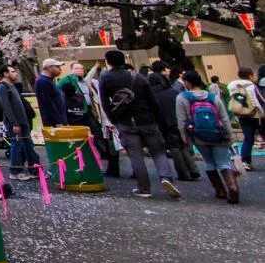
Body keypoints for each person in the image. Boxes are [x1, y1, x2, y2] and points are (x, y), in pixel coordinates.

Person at [99, 50, 180, 199]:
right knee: (158, 151)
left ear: (108, 62)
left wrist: (114, 120)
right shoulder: (139, 77)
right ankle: (166, 178)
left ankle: (144, 188)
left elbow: (105, 103)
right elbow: (153, 101)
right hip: (146, 119)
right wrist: (157, 119)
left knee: (135, 155)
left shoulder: (106, 79)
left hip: (125, 121)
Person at [176, 70, 240, 203]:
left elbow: (181, 120)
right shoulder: (212, 97)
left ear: (187, 82)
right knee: (223, 162)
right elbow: (224, 117)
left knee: (209, 162)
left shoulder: (182, 97)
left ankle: (220, 190)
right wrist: (230, 134)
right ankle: (232, 186)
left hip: (198, 134)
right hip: (218, 134)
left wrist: (184, 137)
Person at [0, 67, 40, 181]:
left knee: (28, 144)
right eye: (13, 72)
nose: (16, 74)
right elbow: (6, 107)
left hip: (23, 120)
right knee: (17, 145)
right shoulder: (2, 87)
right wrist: (14, 123)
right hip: (14, 123)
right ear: (5, 74)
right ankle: (15, 171)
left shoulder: (12, 86)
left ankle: (34, 169)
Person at [225, 67, 262, 171]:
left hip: (242, 116)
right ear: (250, 76)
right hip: (255, 116)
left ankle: (245, 162)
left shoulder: (233, 87)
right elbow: (257, 101)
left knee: (248, 139)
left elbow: (236, 103)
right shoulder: (251, 87)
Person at [35, 59, 68, 128]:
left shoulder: (50, 81)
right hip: (54, 124)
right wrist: (57, 121)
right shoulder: (42, 81)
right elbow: (47, 103)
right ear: (49, 67)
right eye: (57, 67)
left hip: (60, 120)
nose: (60, 69)